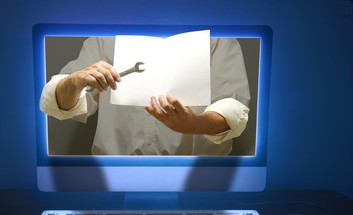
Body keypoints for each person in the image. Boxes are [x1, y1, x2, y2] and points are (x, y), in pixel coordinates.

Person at [40, 36, 250, 155]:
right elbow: (61, 105)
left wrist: (195, 124)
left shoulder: (219, 37)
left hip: (199, 185)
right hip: (113, 181)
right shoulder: (104, 37)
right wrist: (73, 81)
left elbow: (234, 109)